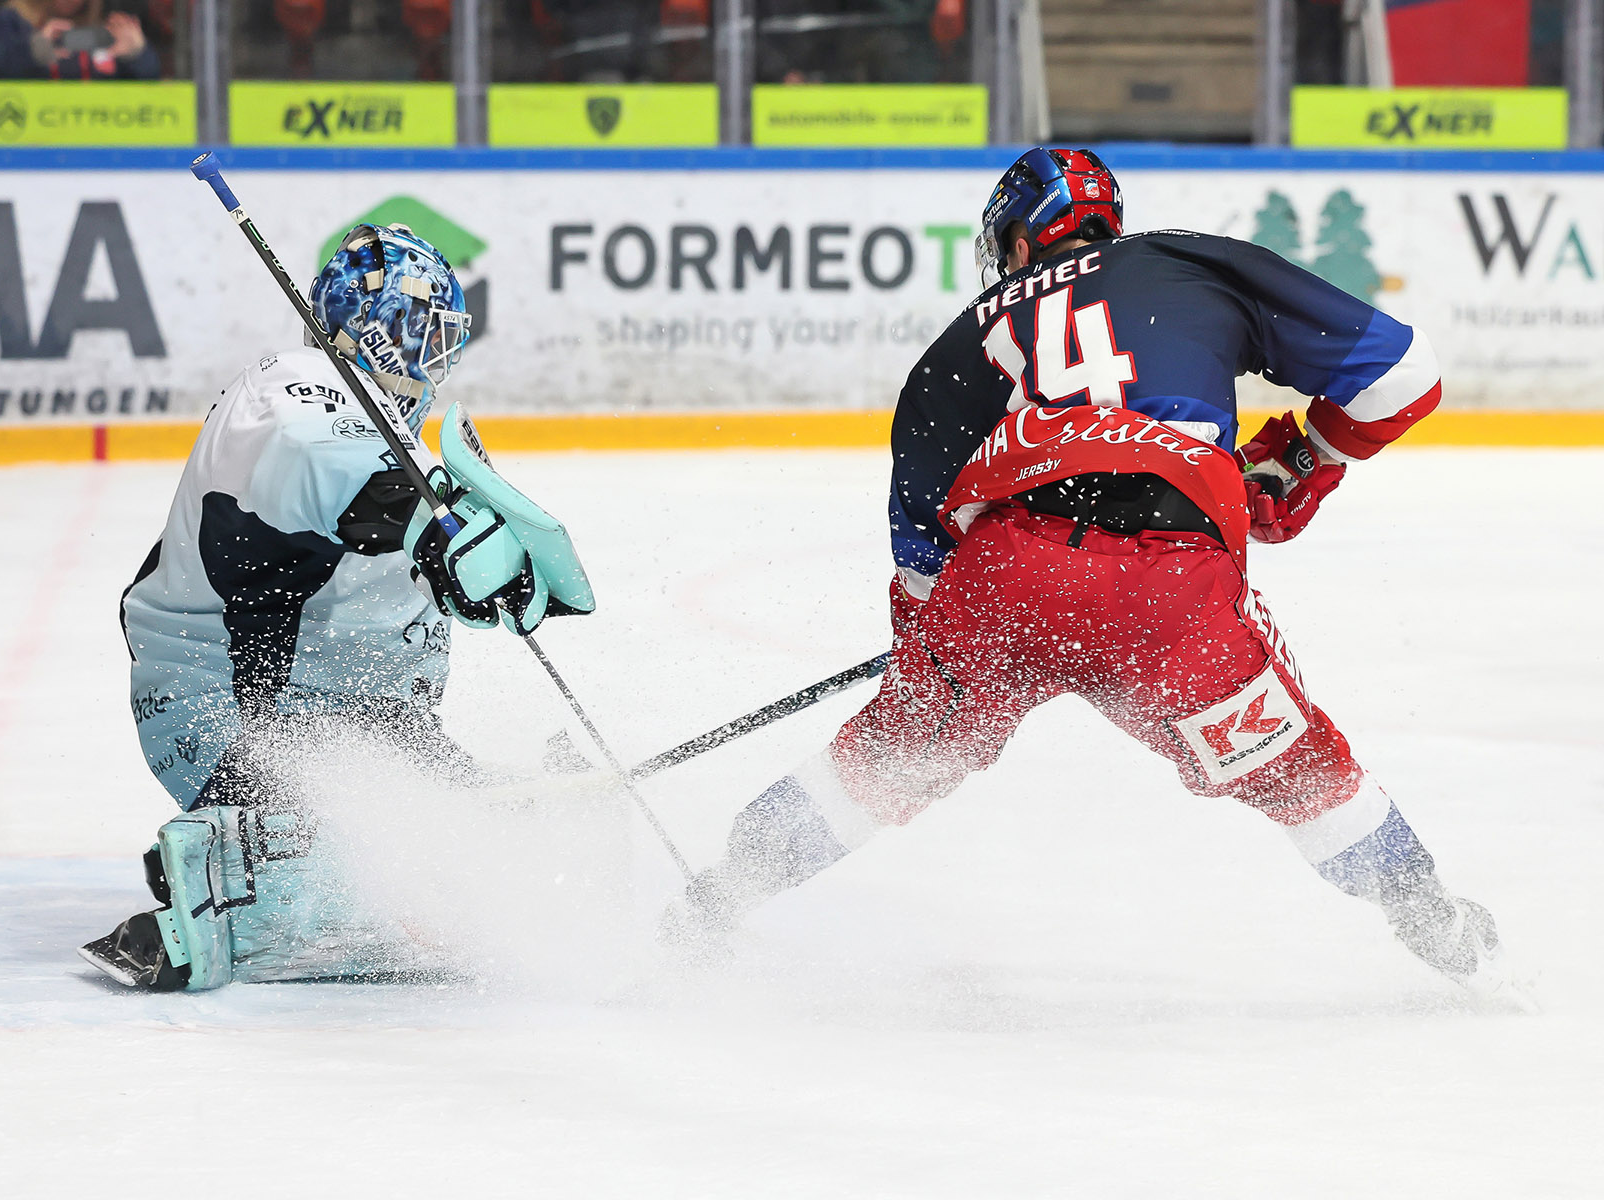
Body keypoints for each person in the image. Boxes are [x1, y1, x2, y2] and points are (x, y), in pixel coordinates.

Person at [663, 147, 1518, 999]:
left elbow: (923, 564)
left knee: (885, 758)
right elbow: (1405, 376)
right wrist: (1301, 458)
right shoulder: (1190, 261)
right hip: (1170, 595)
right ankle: (1443, 931)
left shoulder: (959, 341)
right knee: (1301, 770)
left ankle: (711, 904)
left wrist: (934, 671)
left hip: (1004, 584)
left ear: (1022, 240)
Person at [81, 223, 593, 991]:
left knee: (503, 856)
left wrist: (496, 565)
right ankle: (235, 867)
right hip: (228, 714)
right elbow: (321, 456)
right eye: (422, 330)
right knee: (385, 883)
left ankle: (284, 859)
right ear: (372, 325)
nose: (435, 356)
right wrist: (431, 529)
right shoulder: (290, 389)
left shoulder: (400, 442)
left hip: (366, 726)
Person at [0, 0, 161, 80]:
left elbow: (148, 81)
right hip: (28, 143)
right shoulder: (10, 22)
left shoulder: (107, 27)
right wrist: (30, 53)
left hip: (96, 136)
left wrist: (138, 55)